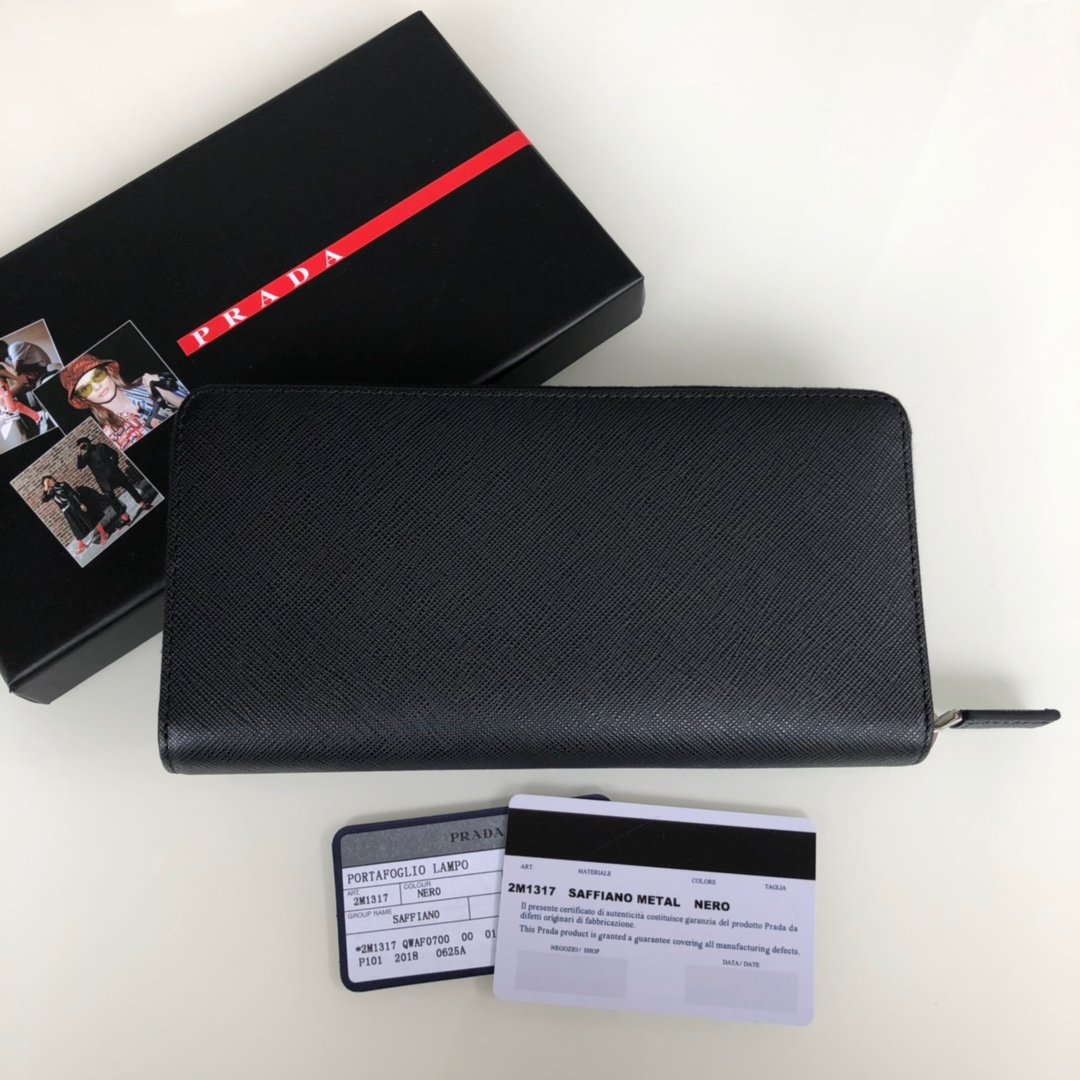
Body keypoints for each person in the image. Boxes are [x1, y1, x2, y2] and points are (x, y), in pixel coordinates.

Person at [59, 353, 189, 451]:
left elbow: (195, 407)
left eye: (97, 376)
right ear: (83, 398)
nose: (97, 387)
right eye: (85, 389)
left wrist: (164, 392)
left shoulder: (149, 383)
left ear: (108, 371)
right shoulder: (111, 438)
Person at [75, 436, 151, 524]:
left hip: (114, 473)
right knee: (111, 498)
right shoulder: (86, 457)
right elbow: (80, 466)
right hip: (103, 480)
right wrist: (79, 453)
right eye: (83, 447)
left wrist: (113, 466)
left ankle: (142, 503)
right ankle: (124, 517)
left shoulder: (101, 446)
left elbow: (114, 454)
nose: (85, 447)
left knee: (129, 487)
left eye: (85, 444)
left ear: (89, 442)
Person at [41, 475, 108, 556]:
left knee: (89, 519)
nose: (49, 484)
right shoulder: (51, 493)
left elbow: (73, 493)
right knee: (75, 527)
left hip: (74, 506)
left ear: (52, 479)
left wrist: (81, 504)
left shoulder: (62, 485)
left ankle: (103, 533)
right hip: (67, 511)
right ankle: (81, 544)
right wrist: (46, 487)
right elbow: (44, 499)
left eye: (49, 481)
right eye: (46, 483)